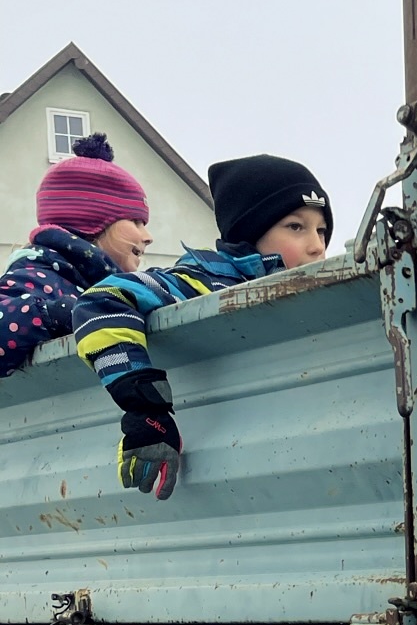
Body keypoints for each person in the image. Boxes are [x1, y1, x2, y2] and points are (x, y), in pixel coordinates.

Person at [74, 153, 332, 500]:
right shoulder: (200, 283)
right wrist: (145, 407)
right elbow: (103, 299)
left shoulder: (327, 298)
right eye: (296, 227)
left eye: (322, 230)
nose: (317, 246)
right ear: (249, 231)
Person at [1, 133, 152, 378]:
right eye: (136, 221)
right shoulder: (40, 276)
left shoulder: (97, 284)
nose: (147, 236)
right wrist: (51, 315)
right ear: (93, 222)